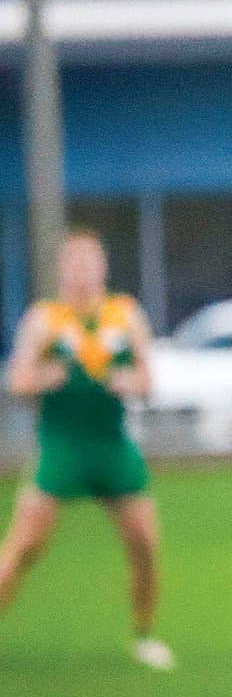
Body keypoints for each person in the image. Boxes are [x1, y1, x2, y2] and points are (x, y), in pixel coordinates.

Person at [0, 227, 174, 671]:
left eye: (89, 262)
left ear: (103, 267)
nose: (81, 271)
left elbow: (147, 379)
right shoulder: (46, 320)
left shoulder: (124, 314)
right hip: (62, 446)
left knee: (145, 547)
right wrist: (43, 378)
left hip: (112, 446)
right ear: (61, 268)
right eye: (73, 262)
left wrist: (129, 382)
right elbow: (17, 380)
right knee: (23, 549)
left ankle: (144, 636)